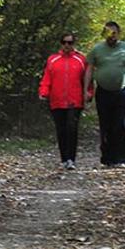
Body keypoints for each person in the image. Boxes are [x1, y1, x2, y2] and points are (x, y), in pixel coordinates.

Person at [84, 20, 125, 167]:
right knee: (106, 125)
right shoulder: (97, 50)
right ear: (104, 34)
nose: (112, 36)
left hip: (122, 91)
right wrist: (86, 90)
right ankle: (108, 158)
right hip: (103, 92)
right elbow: (89, 70)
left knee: (121, 124)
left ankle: (123, 158)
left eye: (114, 32)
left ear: (118, 33)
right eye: (108, 33)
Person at [39, 32, 87, 170]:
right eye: (64, 42)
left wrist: (88, 92)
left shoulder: (80, 60)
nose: (67, 45)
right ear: (61, 43)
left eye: (70, 42)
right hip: (57, 100)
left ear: (74, 44)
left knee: (72, 128)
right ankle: (64, 159)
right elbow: (47, 78)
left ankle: (71, 159)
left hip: (75, 100)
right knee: (61, 130)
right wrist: (43, 91)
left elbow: (87, 79)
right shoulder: (53, 59)